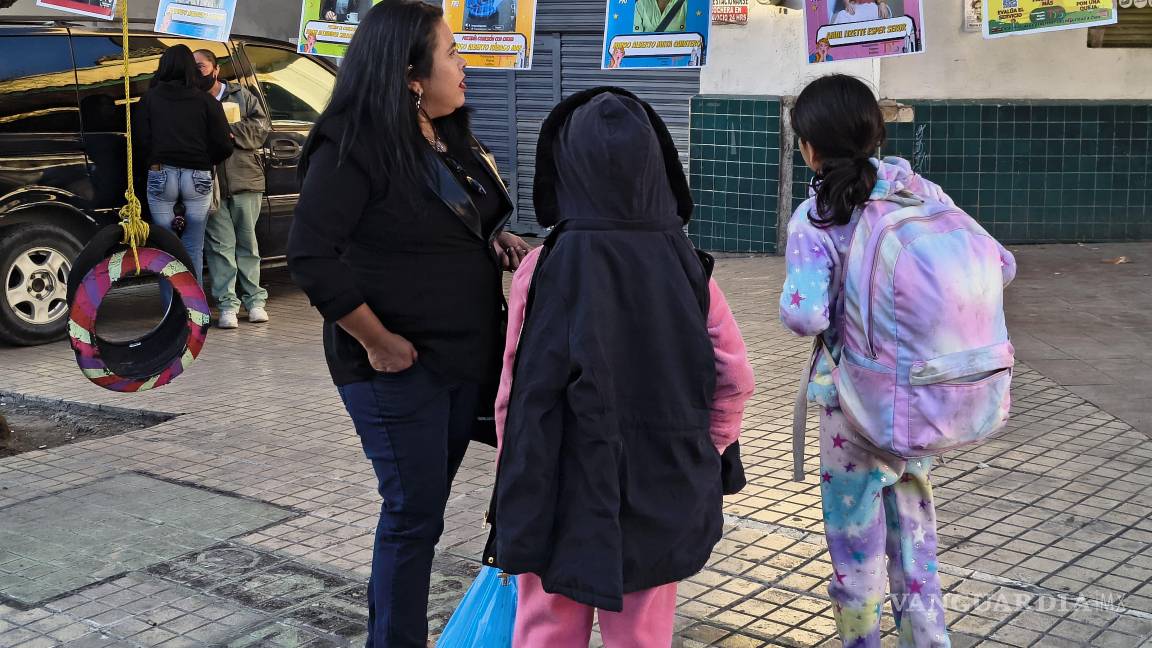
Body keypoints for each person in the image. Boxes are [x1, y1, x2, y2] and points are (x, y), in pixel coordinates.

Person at [285, 0, 528, 644]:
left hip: (463, 360)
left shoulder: (447, 135)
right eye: (451, 53)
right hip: (397, 370)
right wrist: (379, 341)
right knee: (412, 514)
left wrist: (495, 240)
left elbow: (463, 219)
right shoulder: (353, 147)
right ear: (411, 74)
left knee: (425, 511)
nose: (464, 65)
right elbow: (310, 256)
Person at [486, 88, 756, 648]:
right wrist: (705, 446)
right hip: (660, 482)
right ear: (657, 168)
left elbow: (512, 387)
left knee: (544, 628)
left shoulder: (541, 267)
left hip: (555, 482)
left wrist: (514, 474)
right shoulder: (690, 268)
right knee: (642, 634)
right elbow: (736, 377)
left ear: (561, 169)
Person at [779, 75, 1016, 648]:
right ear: (875, 134)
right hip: (917, 400)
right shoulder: (922, 192)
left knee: (856, 551)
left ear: (808, 147)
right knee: (916, 545)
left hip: (852, 411)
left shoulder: (816, 218)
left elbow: (805, 314)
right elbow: (1001, 264)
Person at [137, 44, 233, 292]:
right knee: (193, 247)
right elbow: (224, 145)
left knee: (166, 250)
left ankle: (172, 314)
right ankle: (194, 314)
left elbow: (140, 141)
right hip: (198, 177)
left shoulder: (150, 99)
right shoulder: (206, 101)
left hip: (161, 174)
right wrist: (204, 160)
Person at [194, 49, 273, 329]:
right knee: (219, 247)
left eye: (201, 66)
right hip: (210, 183)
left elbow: (261, 128)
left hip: (244, 180)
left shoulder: (242, 95)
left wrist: (229, 132)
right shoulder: (193, 99)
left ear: (216, 69)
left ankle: (255, 301)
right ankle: (227, 305)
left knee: (248, 244)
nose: (197, 71)